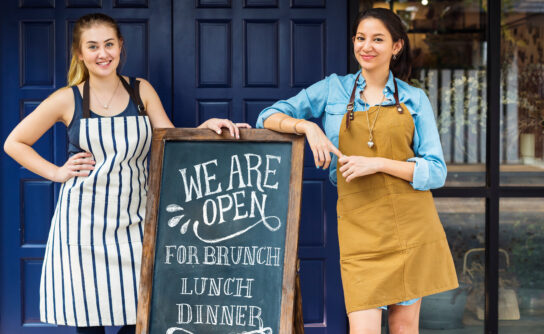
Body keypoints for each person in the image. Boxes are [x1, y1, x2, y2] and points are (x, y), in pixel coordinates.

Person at [3, 13, 250, 334]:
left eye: (108, 44)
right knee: (88, 321)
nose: (102, 53)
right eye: (92, 47)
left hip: (135, 223)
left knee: (142, 317)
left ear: (120, 46)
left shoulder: (140, 91)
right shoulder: (69, 98)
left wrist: (204, 128)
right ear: (80, 53)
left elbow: (170, 139)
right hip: (83, 228)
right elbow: (14, 142)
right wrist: (57, 172)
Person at [256, 8, 458, 334]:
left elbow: (436, 172)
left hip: (410, 228)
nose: (367, 46)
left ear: (396, 46)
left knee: (404, 326)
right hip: (359, 231)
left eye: (378, 39)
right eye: (361, 38)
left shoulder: (414, 99)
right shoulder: (333, 90)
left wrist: (376, 163)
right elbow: (267, 117)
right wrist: (306, 126)